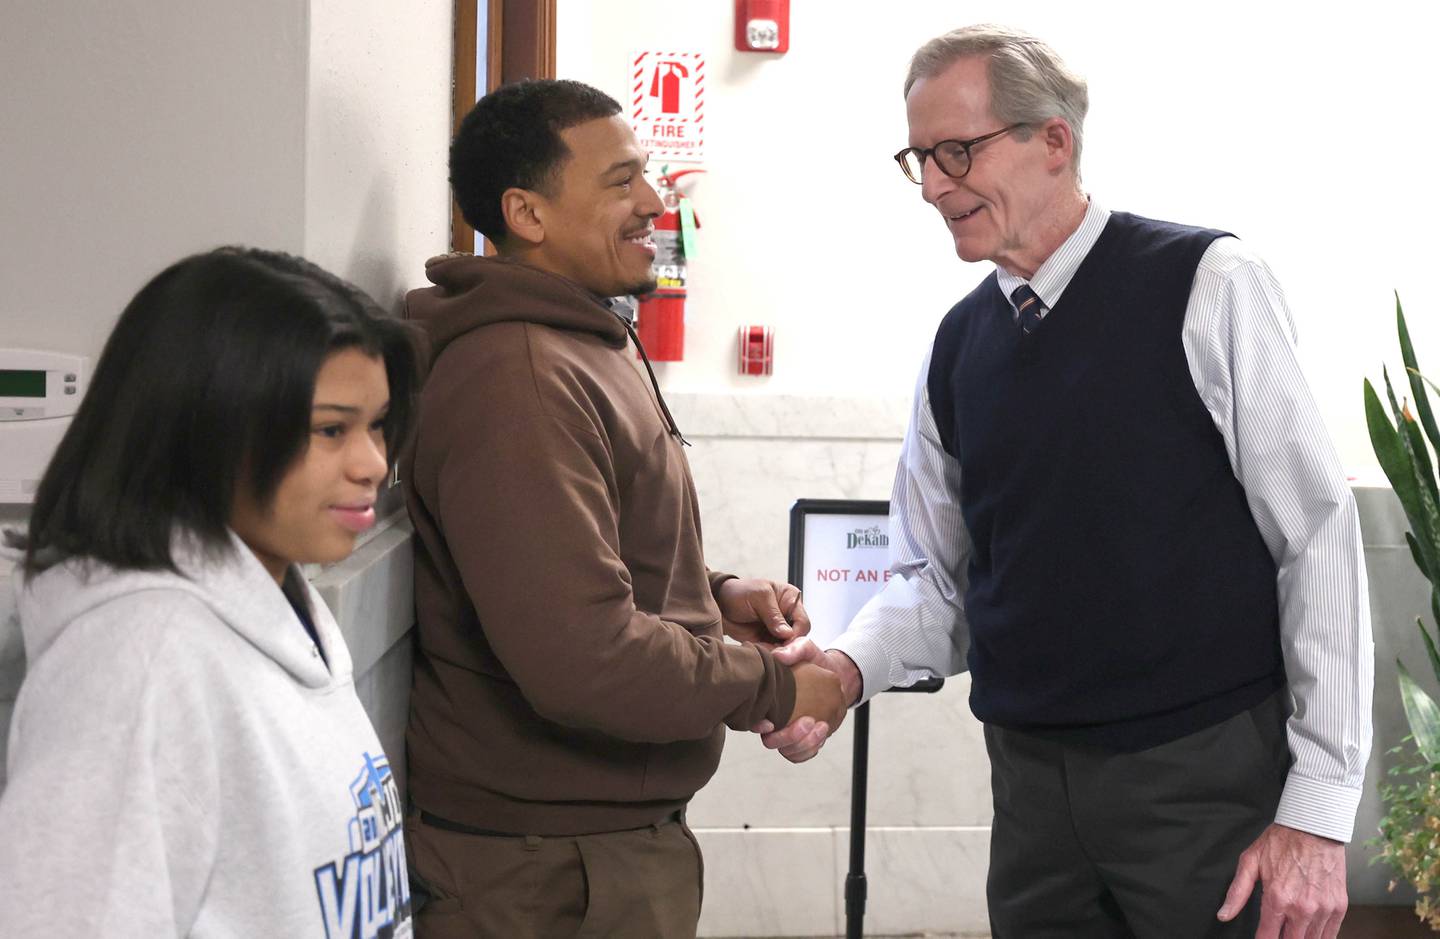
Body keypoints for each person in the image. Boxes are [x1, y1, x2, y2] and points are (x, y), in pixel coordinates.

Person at [765, 24, 1373, 939]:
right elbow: (937, 585)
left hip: (1202, 783)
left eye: (957, 152)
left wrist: (1318, 812)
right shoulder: (957, 347)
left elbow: (1316, 537)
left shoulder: (1209, 283)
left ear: (1054, 141)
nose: (933, 187)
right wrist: (847, 669)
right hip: (1031, 797)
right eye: (919, 159)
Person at [400, 78, 845, 939]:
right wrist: (778, 684)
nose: (653, 203)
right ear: (527, 214)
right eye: (621, 182)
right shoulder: (519, 375)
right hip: (548, 871)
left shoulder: (582, 339)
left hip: (592, 846)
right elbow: (584, 656)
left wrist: (710, 595)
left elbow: (571, 554)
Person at [0, 247, 421, 937]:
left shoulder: (277, 601)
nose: (373, 461)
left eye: (376, 424)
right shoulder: (136, 664)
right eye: (330, 429)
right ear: (205, 430)